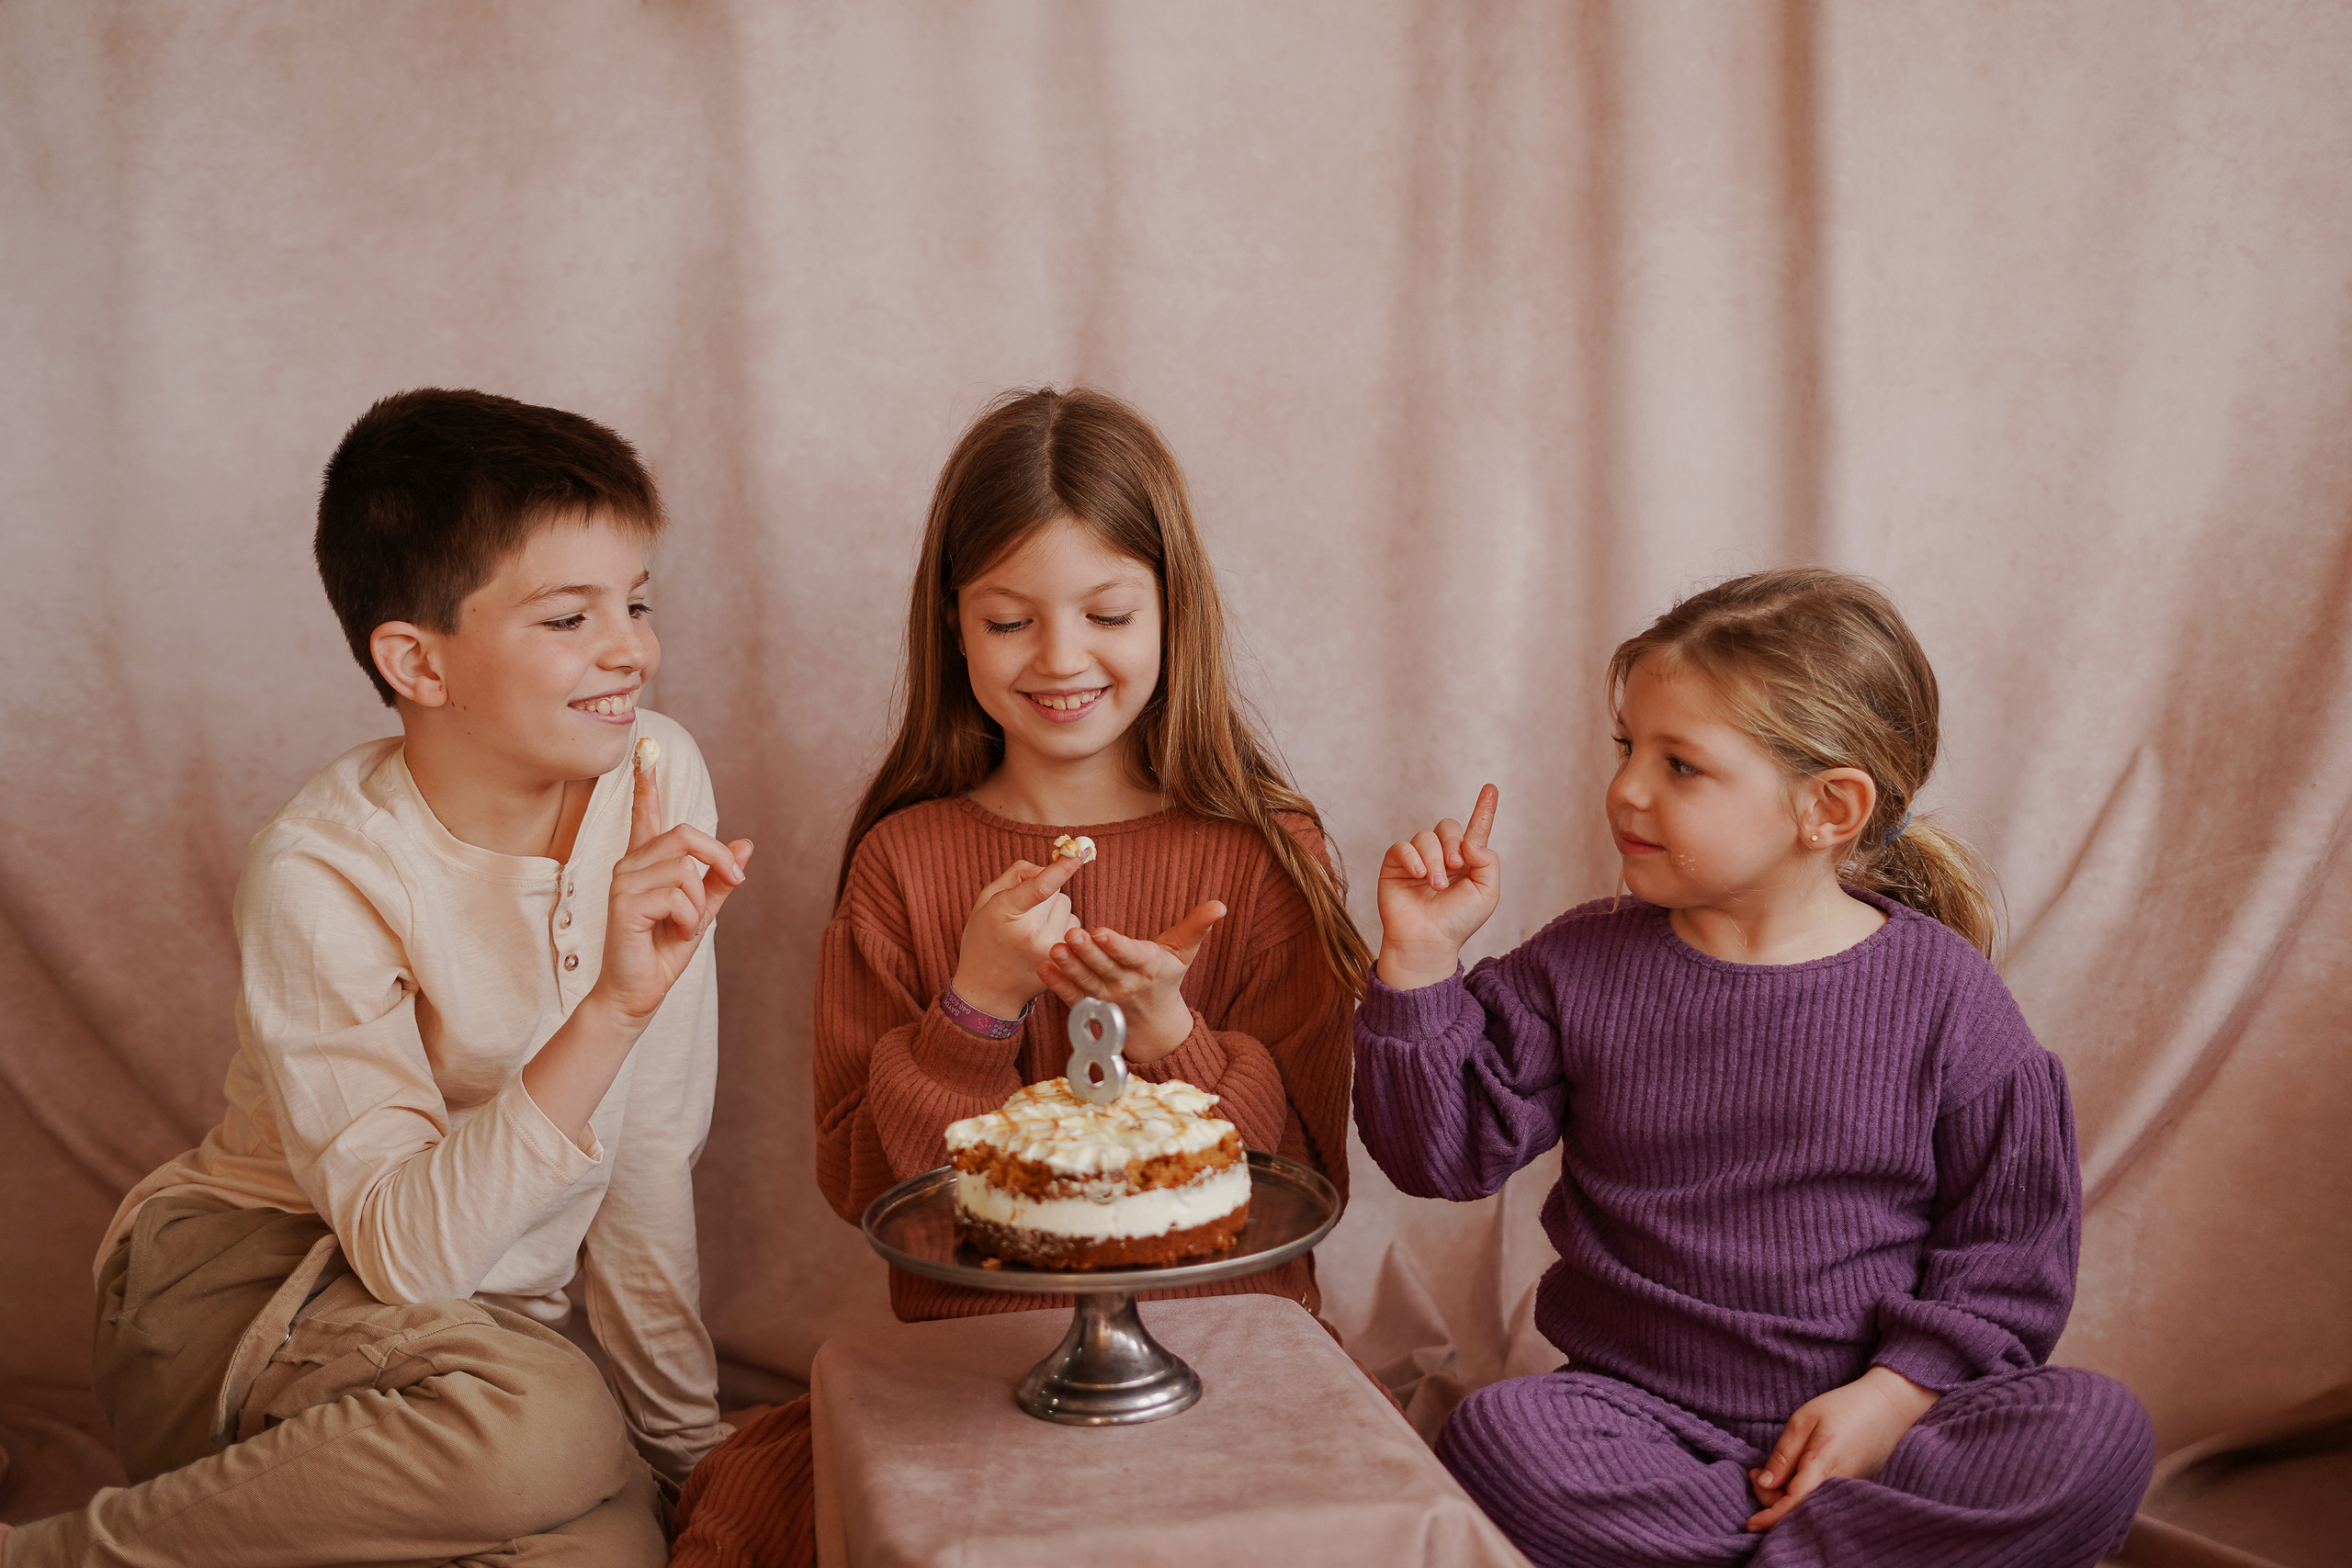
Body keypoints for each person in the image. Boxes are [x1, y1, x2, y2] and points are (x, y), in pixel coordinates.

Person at [3, 389, 753, 1568]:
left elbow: (648, 1143)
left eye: (637, 601)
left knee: (615, 1543)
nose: (633, 650)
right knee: (546, 1430)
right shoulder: (321, 869)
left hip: (476, 1345)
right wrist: (610, 1009)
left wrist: (683, 1452)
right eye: (569, 617)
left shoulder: (656, 774)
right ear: (416, 660)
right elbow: (406, 1255)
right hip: (252, 1286)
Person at [671, 387, 1369, 1567]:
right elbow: (857, 1180)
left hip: (1226, 1355)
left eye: (1106, 613)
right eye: (1008, 621)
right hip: (973, 1362)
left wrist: (1172, 1041)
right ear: (951, 625)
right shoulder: (904, 857)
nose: (1060, 660)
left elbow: (1304, 1175)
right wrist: (973, 1008)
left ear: (1170, 614)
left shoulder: (1264, 853)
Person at [1351, 569, 2155, 1567]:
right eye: (1625, 747)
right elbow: (1441, 1155)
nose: (1625, 789)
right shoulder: (1578, 962)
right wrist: (1421, 963)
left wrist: (1894, 1393)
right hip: (1635, 1419)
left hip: (1878, 1429)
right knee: (1493, 1438)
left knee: (2095, 1429)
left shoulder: (1948, 999)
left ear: (1828, 808)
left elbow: (2011, 1250)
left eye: (1680, 765)